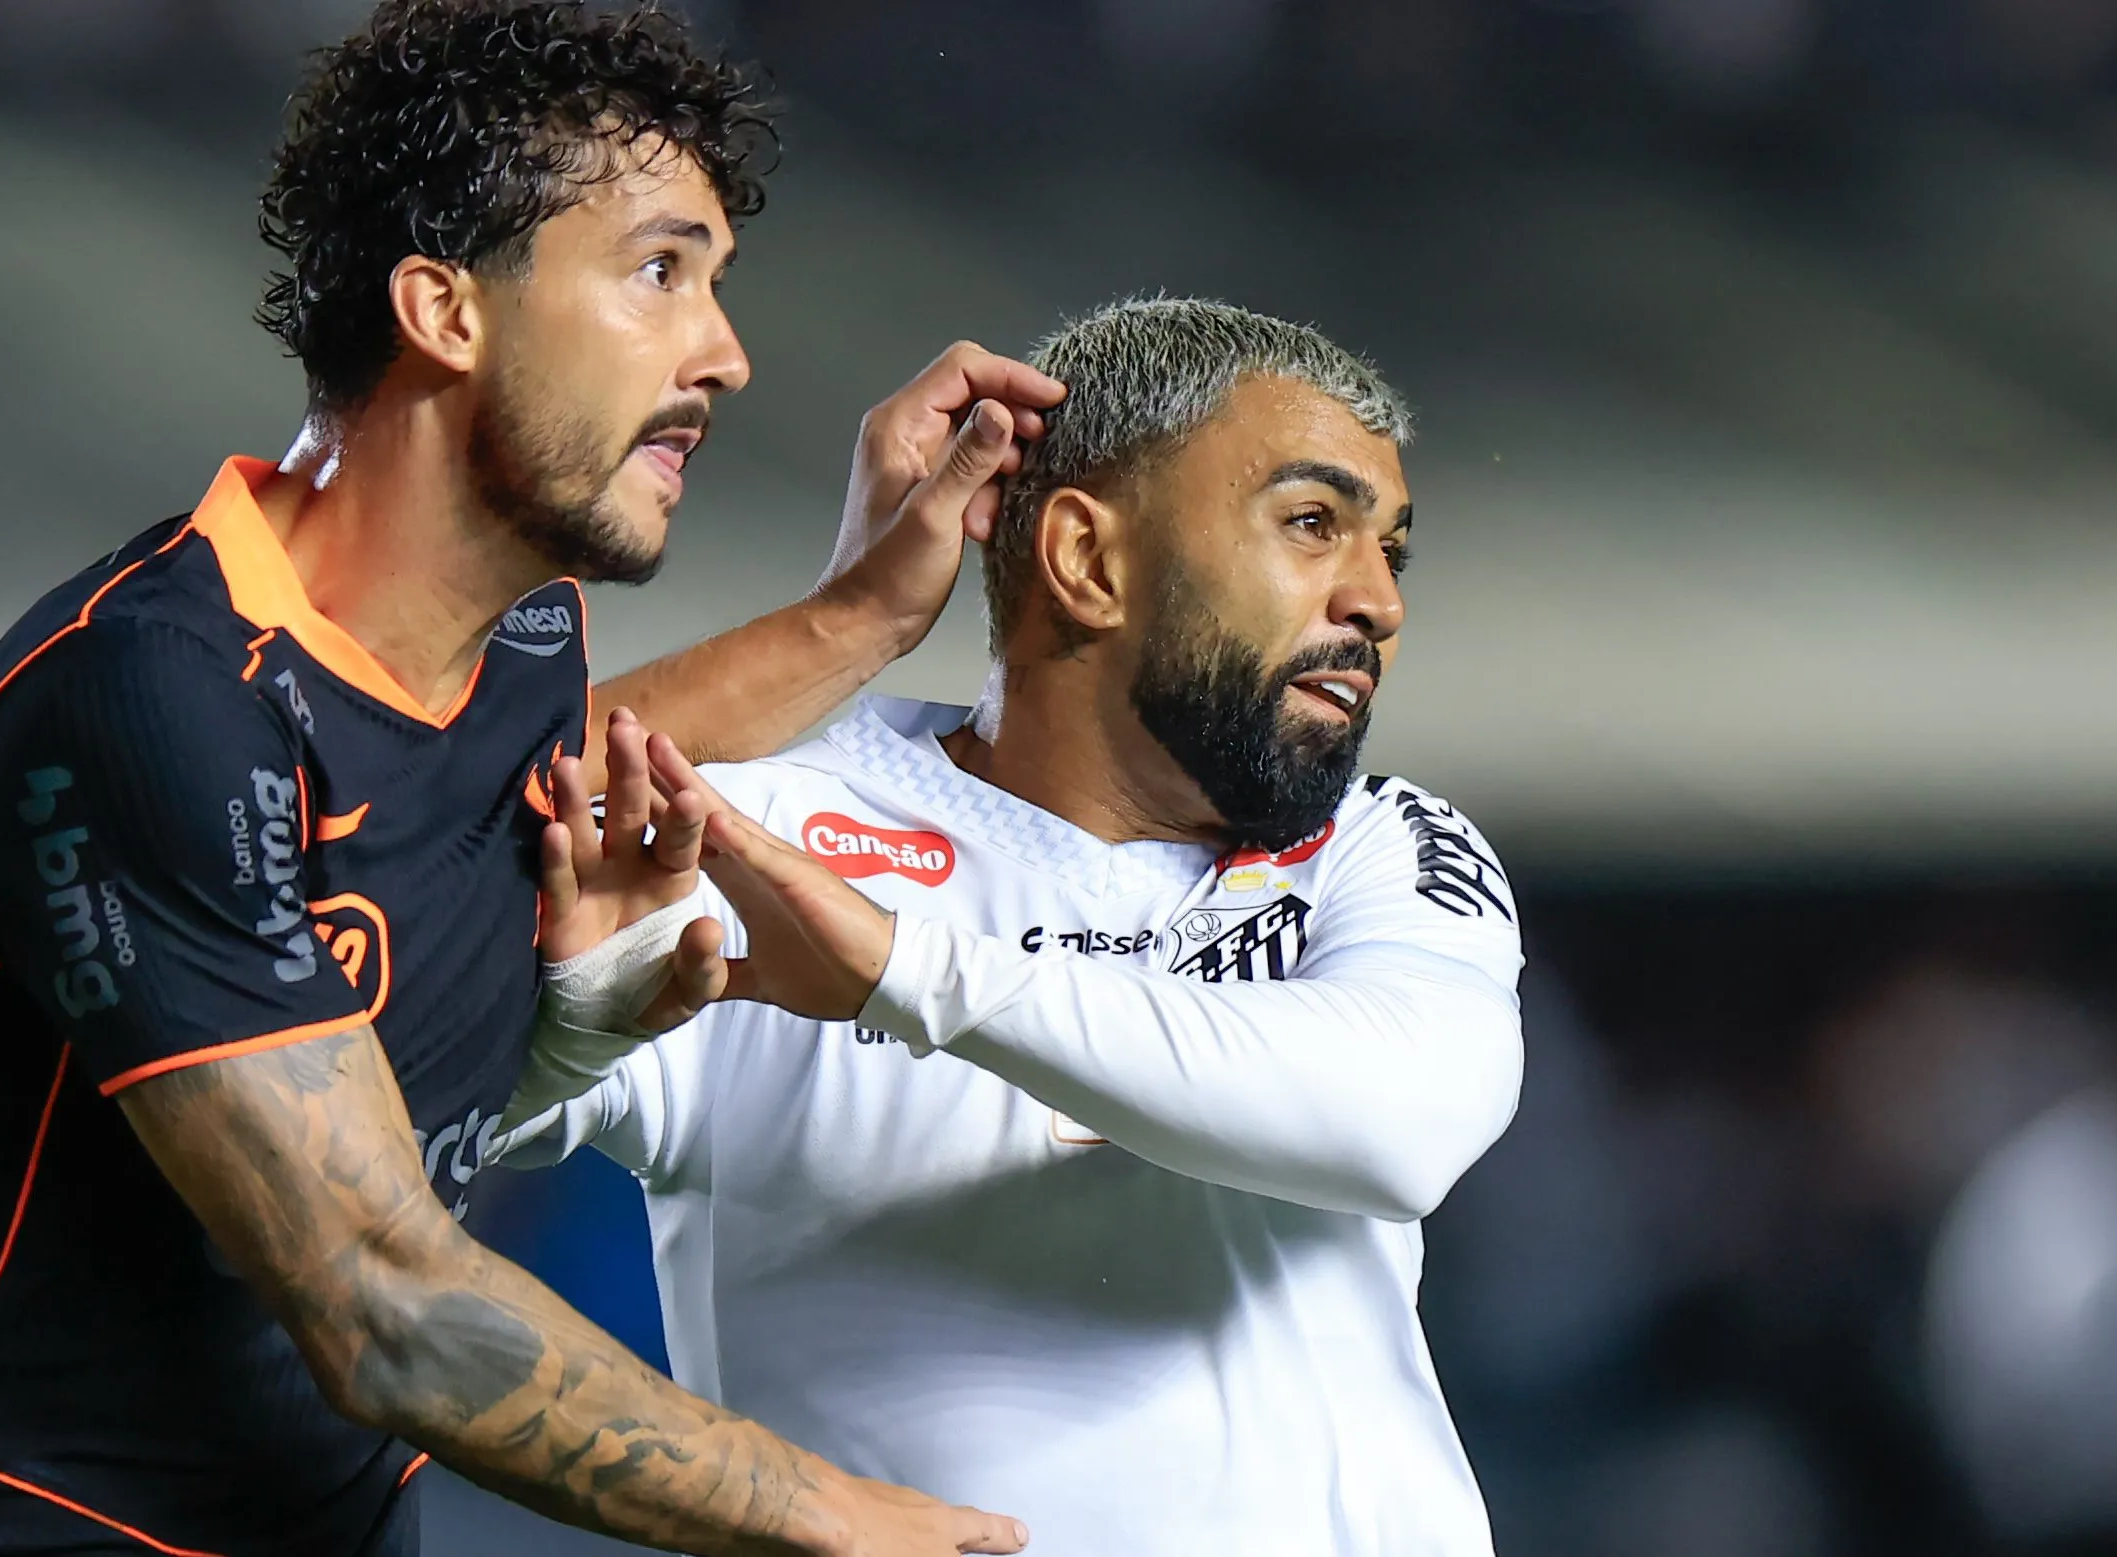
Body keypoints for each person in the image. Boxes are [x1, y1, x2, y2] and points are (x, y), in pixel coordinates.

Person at [0, 4, 1063, 1555]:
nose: (726, 356)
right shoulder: (147, 704)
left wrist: (864, 613)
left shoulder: (516, 635)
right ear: (443, 311)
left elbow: (565, 757)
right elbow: (386, 1306)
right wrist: (836, 1515)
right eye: (659, 271)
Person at [504, 297, 1527, 1555]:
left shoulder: (1376, 846)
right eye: (1312, 525)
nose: (1376, 600)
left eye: (1391, 550)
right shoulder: (756, 834)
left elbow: (1398, 1121)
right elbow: (386, 1043)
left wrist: (898, 967)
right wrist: (555, 1039)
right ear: (1087, 562)